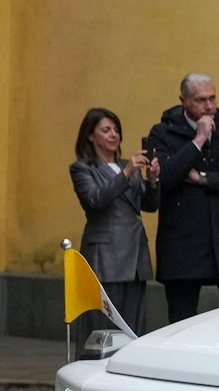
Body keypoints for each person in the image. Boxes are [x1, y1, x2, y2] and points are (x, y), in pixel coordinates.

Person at [145, 72, 219, 321]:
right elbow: (166, 175)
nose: (209, 106)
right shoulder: (163, 133)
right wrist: (198, 140)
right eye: (201, 100)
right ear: (183, 100)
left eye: (212, 98)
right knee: (181, 323)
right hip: (183, 244)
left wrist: (204, 179)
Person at [68, 108, 160, 344]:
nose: (113, 135)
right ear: (90, 135)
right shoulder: (83, 168)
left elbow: (149, 205)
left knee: (133, 326)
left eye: (116, 130)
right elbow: (94, 200)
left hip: (135, 255)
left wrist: (151, 180)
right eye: (106, 130)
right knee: (103, 327)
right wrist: (127, 172)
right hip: (106, 256)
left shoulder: (125, 165)